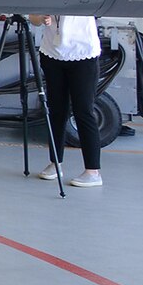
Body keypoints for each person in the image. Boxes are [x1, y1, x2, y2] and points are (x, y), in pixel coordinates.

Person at [32, 14, 106, 187]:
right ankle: (55, 162)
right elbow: (33, 18)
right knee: (56, 111)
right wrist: (41, 18)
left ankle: (93, 171)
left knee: (83, 111)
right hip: (52, 53)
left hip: (83, 53)